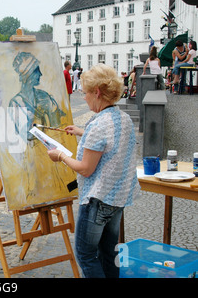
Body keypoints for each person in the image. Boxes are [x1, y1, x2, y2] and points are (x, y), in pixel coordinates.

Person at [47, 63, 140, 278]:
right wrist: (82, 131)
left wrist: (60, 156)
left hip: (98, 200)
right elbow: (109, 143)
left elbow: (86, 169)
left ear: (97, 92)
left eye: (86, 93)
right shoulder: (123, 119)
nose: (84, 98)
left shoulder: (99, 125)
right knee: (108, 253)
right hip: (117, 199)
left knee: (86, 255)